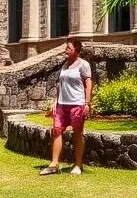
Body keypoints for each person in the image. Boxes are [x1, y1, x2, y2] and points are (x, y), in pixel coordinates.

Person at [40, 38, 94, 175]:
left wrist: (87, 103)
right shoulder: (64, 65)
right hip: (62, 105)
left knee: (77, 133)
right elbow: (60, 86)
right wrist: (55, 102)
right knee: (56, 131)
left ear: (76, 50)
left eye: (69, 48)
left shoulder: (83, 64)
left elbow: (88, 84)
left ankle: (78, 165)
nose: (66, 50)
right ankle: (54, 164)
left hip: (77, 103)